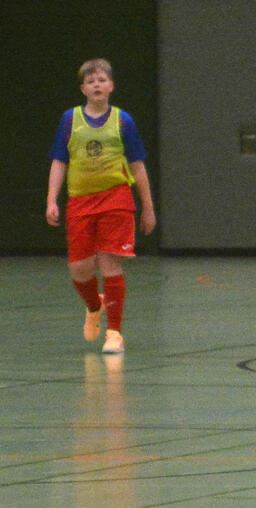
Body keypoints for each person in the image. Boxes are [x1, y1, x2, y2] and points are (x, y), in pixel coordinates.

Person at [46, 58, 156, 354]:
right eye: (91, 81)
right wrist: (51, 199)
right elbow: (60, 160)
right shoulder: (70, 120)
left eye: (102, 80)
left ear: (111, 86)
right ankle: (94, 306)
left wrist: (148, 207)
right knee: (80, 268)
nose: (97, 84)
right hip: (81, 200)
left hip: (116, 198)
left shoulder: (123, 121)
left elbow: (137, 165)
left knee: (110, 263)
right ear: (83, 88)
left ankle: (115, 333)